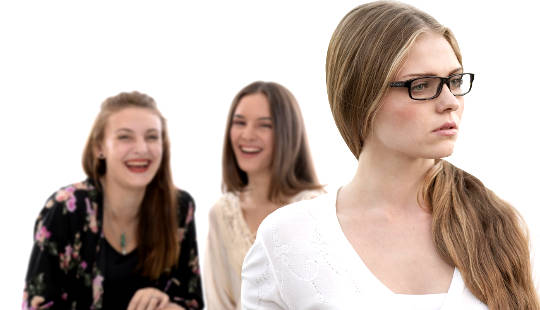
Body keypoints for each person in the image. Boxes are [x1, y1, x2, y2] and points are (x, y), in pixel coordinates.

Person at [241, 2, 539, 309]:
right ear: (361, 96)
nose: (450, 101)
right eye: (421, 85)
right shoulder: (287, 239)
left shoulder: (501, 225)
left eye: (454, 81)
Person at [23, 91, 204, 310]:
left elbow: (191, 301)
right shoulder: (66, 209)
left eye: (152, 137)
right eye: (125, 137)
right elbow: (38, 304)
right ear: (99, 148)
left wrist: (165, 304)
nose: (141, 149)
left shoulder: (179, 208)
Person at [203, 81, 324, 309]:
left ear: (287, 133)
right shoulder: (222, 213)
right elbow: (217, 303)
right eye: (239, 122)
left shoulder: (315, 208)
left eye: (264, 125)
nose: (247, 135)